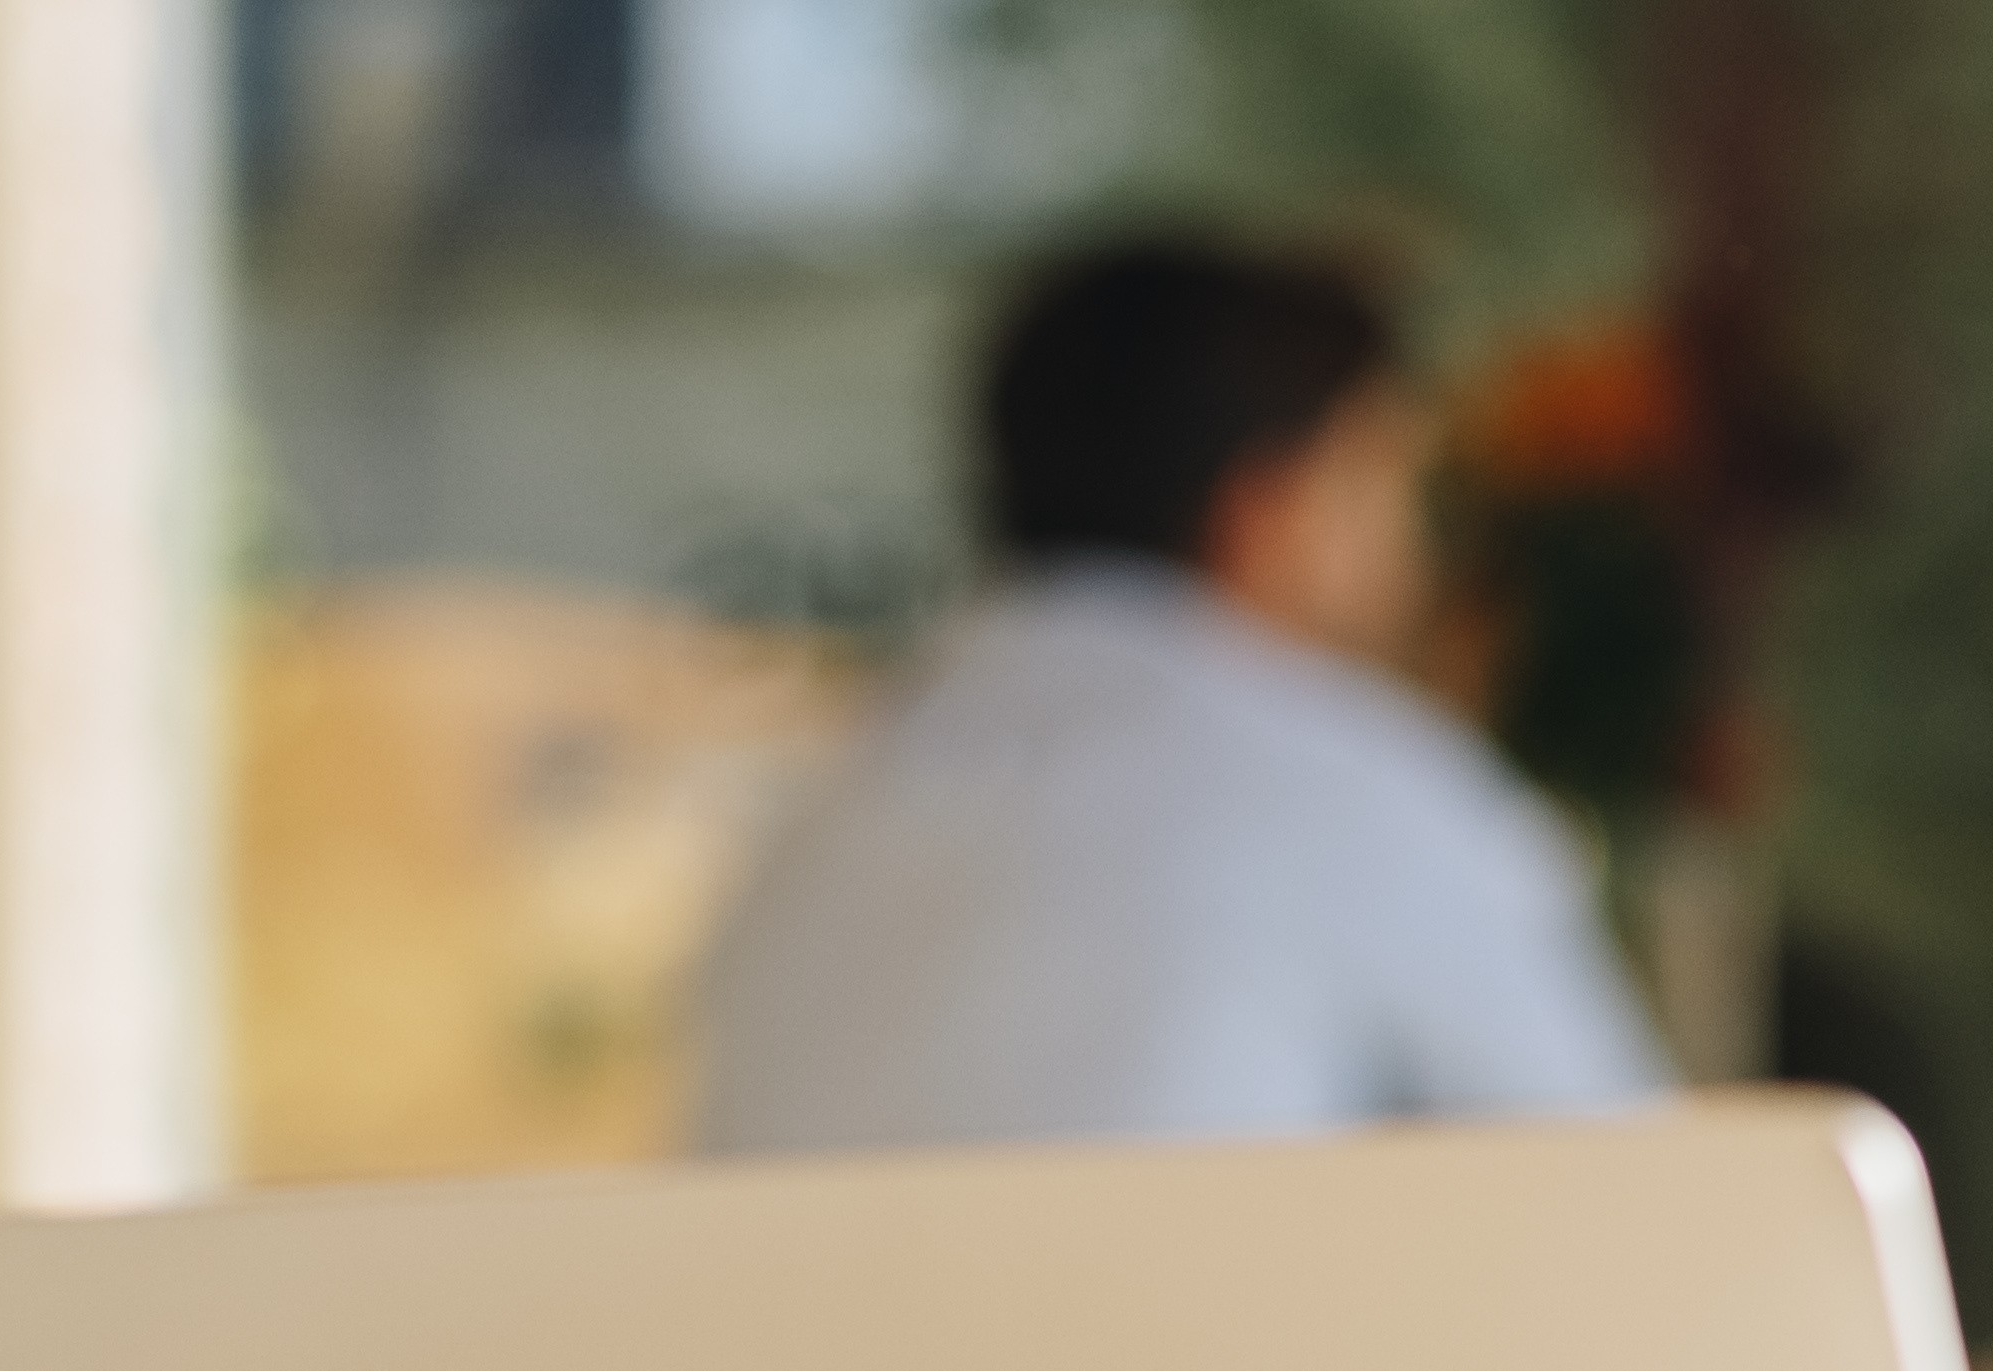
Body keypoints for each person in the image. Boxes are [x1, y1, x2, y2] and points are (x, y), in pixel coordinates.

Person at [691, 234, 1672, 1155]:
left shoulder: (818, 823)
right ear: (1268, 509)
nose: (1415, 560)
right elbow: (1630, 1201)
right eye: (1386, 484)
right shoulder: (1348, 788)